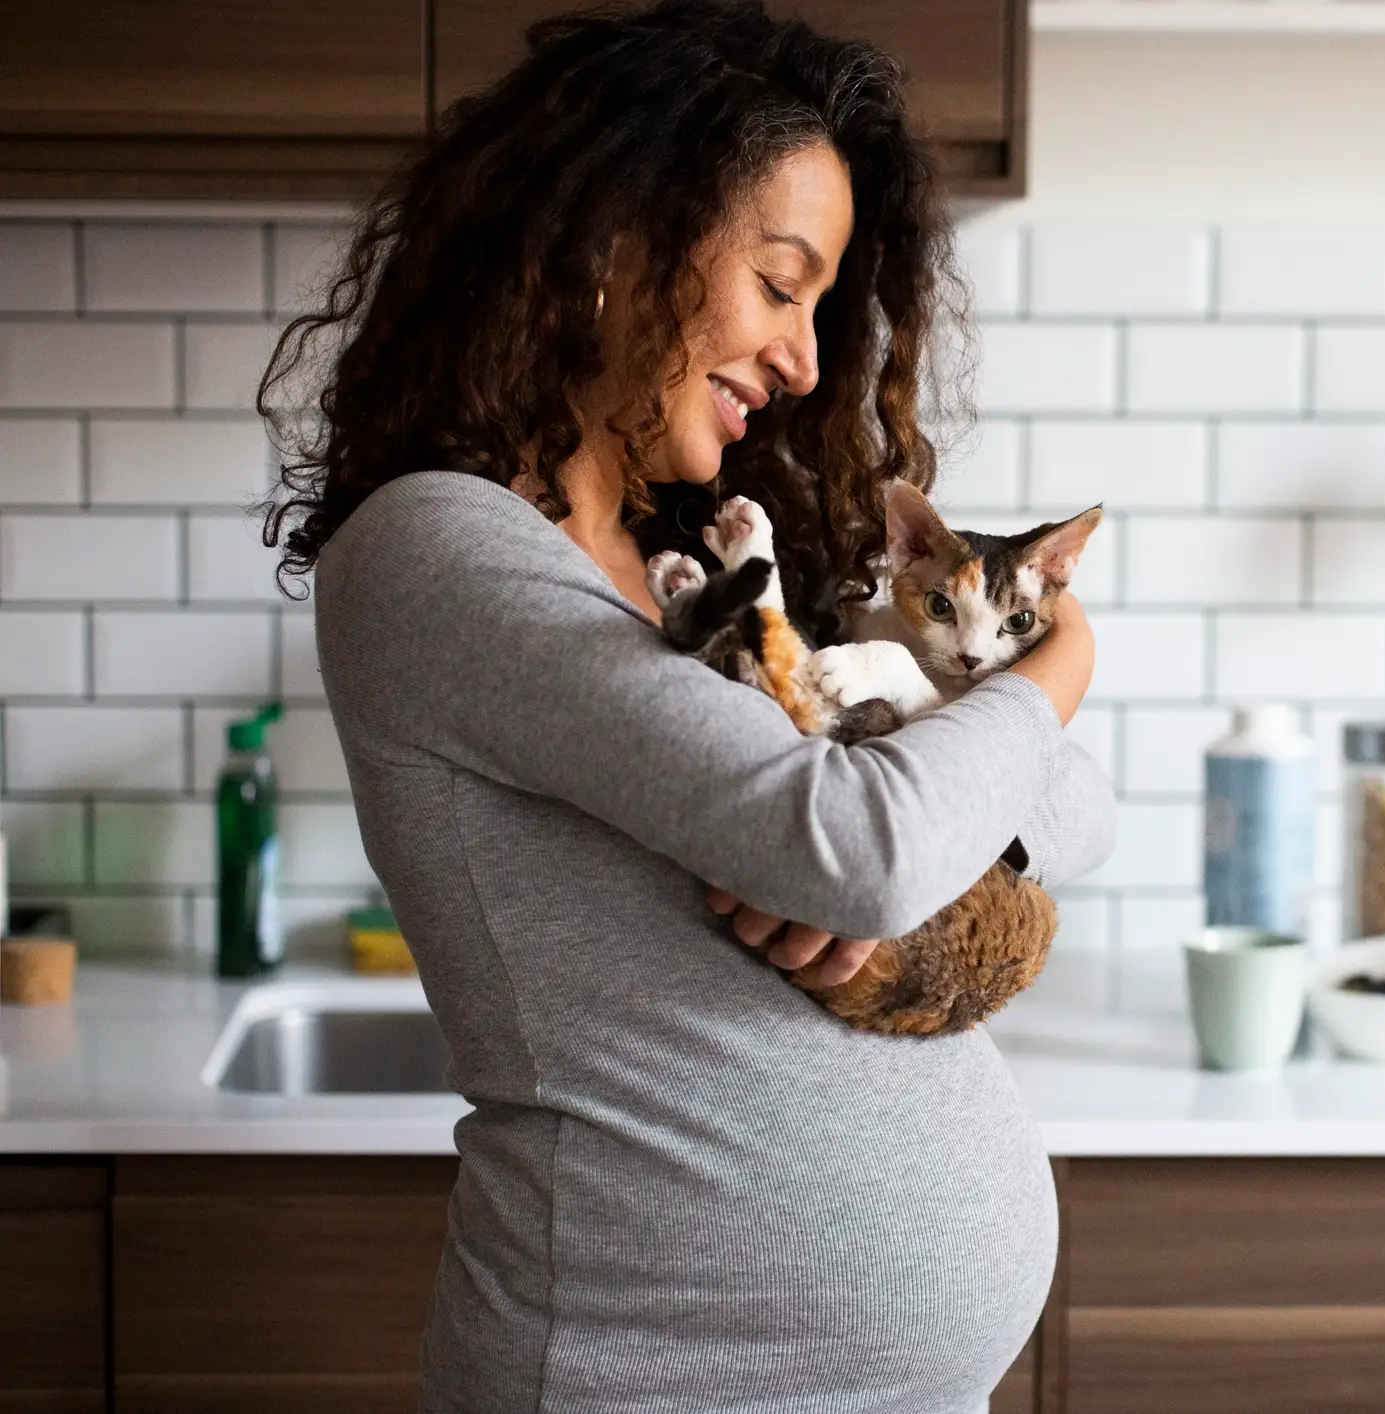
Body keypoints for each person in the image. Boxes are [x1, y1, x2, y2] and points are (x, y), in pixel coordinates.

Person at [261, 4, 1115, 1409]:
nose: (802, 360)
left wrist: (957, 819)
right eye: (782, 287)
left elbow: (1077, 809)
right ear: (615, 241)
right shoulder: (438, 552)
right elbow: (858, 845)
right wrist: (1062, 665)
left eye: (823, 311)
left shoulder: (710, 552)